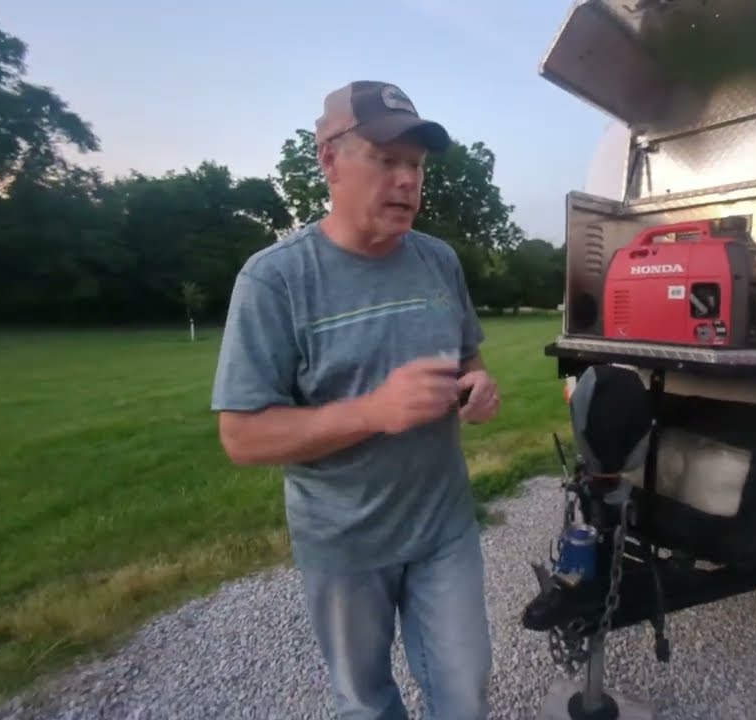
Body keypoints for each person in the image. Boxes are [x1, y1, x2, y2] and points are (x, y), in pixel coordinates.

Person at [209, 80, 498, 720]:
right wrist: (374, 412)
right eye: (387, 159)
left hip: (443, 528)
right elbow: (243, 436)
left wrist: (478, 385)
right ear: (330, 159)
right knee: (366, 703)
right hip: (344, 543)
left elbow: (469, 359)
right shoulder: (275, 279)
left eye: (416, 166)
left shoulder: (438, 261)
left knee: (465, 690)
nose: (407, 181)